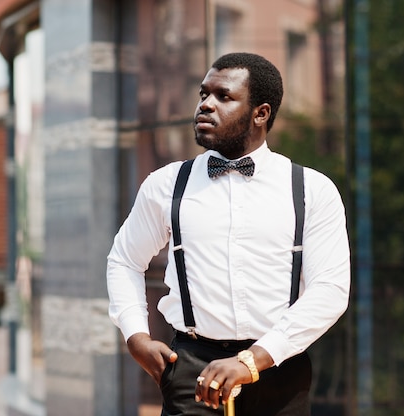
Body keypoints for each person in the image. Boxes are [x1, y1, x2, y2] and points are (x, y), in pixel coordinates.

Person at [107, 52, 350, 415]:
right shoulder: (167, 184)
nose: (205, 105)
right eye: (203, 94)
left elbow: (330, 291)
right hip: (192, 367)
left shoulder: (311, 189)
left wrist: (252, 360)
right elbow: (124, 260)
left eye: (223, 96)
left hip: (278, 367)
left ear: (261, 113)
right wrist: (135, 335)